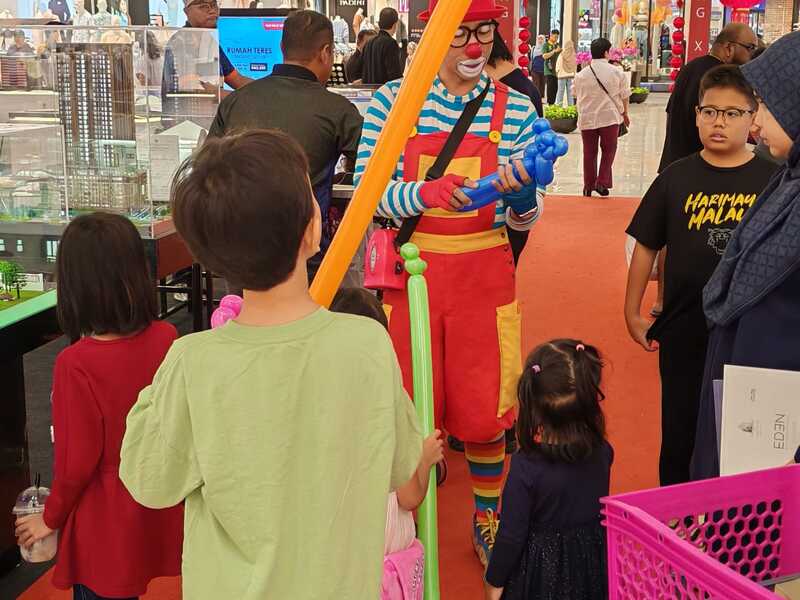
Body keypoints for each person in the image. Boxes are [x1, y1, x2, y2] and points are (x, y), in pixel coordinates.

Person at [119, 130, 423, 599]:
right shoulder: (368, 344)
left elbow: (149, 479)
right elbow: (400, 462)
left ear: (209, 255)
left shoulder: (193, 362)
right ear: (312, 230)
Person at [355, 0, 546, 567]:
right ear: (433, 36)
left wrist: (523, 198)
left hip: (485, 279)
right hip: (410, 280)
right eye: (460, 34)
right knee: (408, 406)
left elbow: (524, 221)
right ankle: (404, 517)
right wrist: (423, 194)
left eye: (484, 32)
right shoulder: (394, 102)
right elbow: (370, 194)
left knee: (487, 409)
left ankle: (487, 516)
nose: (474, 47)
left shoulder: (516, 107)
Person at [14, 213, 183, 600]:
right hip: (153, 501)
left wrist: (50, 518)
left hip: (104, 521)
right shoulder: (167, 336)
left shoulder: (76, 364)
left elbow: (75, 463)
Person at [625, 65, 776, 486]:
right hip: (683, 327)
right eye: (710, 112)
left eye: (732, 113)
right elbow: (646, 244)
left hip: (747, 329)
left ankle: (731, 512)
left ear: (753, 117)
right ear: (695, 116)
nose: (719, 122)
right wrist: (632, 311)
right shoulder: (675, 177)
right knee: (680, 430)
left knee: (738, 431)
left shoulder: (772, 178)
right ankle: (675, 509)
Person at [693, 31, 800, 481]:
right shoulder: (788, 179)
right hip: (751, 394)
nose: (757, 123)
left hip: (781, 417)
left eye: (767, 105)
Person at [208, 10, 363, 283]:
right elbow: (370, 162)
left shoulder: (236, 101)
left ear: (281, 48)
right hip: (304, 258)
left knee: (245, 310)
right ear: (326, 52)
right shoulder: (337, 109)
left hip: (240, 255)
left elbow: (207, 168)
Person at [329, 287, 444, 595]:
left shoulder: (321, 405)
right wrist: (424, 459)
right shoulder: (388, 406)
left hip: (340, 558)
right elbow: (409, 496)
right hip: (386, 557)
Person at [484, 340, 613, 600]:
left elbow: (511, 536)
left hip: (539, 575)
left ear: (535, 411)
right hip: (591, 569)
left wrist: (494, 581)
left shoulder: (526, 469)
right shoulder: (602, 452)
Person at [658, 23, 758, 173]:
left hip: (673, 163)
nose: (753, 55)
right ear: (729, 48)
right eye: (750, 48)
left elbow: (670, 113)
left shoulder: (689, 67)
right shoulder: (722, 77)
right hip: (701, 168)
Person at [574, 37, 631, 197]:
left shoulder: (581, 75)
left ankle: (588, 186)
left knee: (589, 152)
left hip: (587, 118)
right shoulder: (616, 72)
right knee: (609, 150)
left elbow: (575, 94)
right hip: (609, 117)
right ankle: (602, 182)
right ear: (606, 52)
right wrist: (625, 113)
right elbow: (625, 95)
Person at [162, 0, 253, 99]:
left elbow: (235, 78)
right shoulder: (180, 43)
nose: (212, 10)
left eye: (214, 5)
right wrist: (244, 98)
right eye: (203, 6)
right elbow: (198, 91)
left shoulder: (208, 40)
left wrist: (263, 87)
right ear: (187, 12)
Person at [361, 7, 403, 84]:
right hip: (384, 90)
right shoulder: (391, 43)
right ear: (395, 24)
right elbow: (394, 75)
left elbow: (363, 71)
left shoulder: (369, 43)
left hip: (368, 89)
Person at [541, 29, 561, 105]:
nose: (556, 39)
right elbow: (544, 56)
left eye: (557, 37)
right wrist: (554, 51)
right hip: (549, 70)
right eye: (555, 37)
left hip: (557, 70)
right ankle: (550, 104)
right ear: (551, 36)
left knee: (556, 88)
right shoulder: (546, 45)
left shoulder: (557, 45)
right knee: (550, 88)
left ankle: (553, 104)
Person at [555, 39, 577, 106]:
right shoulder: (573, 55)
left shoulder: (562, 54)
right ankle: (571, 107)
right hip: (571, 76)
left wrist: (557, 72)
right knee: (570, 93)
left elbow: (558, 65)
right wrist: (574, 73)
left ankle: (558, 107)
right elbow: (575, 65)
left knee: (560, 92)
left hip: (561, 75)